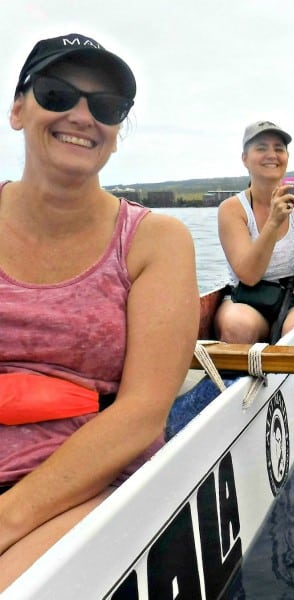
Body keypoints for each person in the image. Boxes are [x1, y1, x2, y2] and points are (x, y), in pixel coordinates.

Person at [0, 33, 199, 587]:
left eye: (106, 107)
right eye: (58, 93)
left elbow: (142, 413)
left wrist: (6, 519)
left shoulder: (155, 240)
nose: (82, 115)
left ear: (114, 134)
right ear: (18, 109)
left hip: (89, 484)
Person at [214, 122, 294, 344]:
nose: (272, 154)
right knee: (237, 326)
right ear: (245, 158)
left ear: (287, 157)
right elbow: (249, 275)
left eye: (279, 148)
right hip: (248, 297)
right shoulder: (231, 209)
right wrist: (273, 223)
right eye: (261, 148)